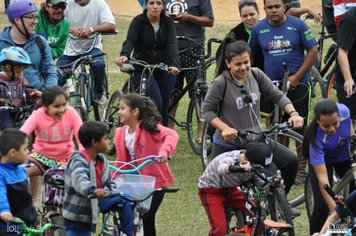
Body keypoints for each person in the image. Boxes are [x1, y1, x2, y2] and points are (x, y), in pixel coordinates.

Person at [201, 38, 304, 201]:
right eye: (238, 64)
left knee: (290, 162)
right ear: (228, 63)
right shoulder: (221, 83)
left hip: (256, 141)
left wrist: (293, 113)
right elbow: (206, 111)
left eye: (246, 62)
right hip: (229, 146)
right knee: (227, 197)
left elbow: (277, 95)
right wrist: (224, 128)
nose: (243, 67)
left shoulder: (255, 74)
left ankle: (279, 202)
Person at [114, 93, 179, 236]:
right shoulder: (120, 133)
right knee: (124, 217)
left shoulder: (150, 128)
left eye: (122, 108)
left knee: (147, 218)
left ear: (135, 112)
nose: (119, 112)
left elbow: (172, 135)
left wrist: (164, 152)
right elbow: (120, 162)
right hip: (130, 182)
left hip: (153, 184)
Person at [248, 0, 318, 129]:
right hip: (273, 87)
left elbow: (313, 51)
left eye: (277, 6)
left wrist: (297, 77)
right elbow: (249, 53)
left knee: (300, 128)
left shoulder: (299, 25)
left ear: (284, 8)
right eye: (270, 7)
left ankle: (302, 150)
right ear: (264, 9)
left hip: (299, 84)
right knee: (279, 129)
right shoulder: (258, 29)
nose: (274, 10)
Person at [115, 0, 180, 127]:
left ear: (163, 6)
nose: (155, 7)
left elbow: (172, 45)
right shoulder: (138, 21)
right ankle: (148, 131)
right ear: (146, 5)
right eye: (151, 3)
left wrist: (175, 64)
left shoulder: (168, 23)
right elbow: (130, 40)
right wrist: (125, 55)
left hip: (164, 67)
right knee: (156, 102)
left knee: (164, 106)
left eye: (158, 3)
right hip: (143, 68)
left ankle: (162, 139)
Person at [63, 121, 134, 236]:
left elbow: (108, 182)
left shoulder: (101, 161)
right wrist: (93, 190)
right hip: (78, 213)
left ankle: (129, 233)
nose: (108, 141)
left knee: (124, 198)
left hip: (95, 203)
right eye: (106, 139)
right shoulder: (78, 160)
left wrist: (113, 189)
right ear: (95, 142)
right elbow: (79, 179)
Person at [20, 86, 83, 207]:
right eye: (56, 106)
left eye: (64, 104)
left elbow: (81, 136)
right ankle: (32, 202)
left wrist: (83, 153)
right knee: (24, 171)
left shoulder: (71, 113)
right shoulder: (37, 115)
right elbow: (23, 133)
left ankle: (65, 204)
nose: (62, 109)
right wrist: (19, 148)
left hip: (66, 158)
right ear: (45, 106)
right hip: (41, 156)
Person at [302, 99, 355, 234]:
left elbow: (351, 133)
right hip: (323, 161)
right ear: (318, 121)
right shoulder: (315, 141)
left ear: (339, 116)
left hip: (342, 154)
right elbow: (323, 179)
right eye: (326, 126)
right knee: (322, 206)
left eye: (335, 124)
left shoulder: (344, 110)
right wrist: (334, 210)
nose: (331, 129)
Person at [198, 141, 274, 236]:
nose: (260, 169)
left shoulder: (255, 167)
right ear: (250, 161)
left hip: (231, 188)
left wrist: (273, 183)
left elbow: (262, 182)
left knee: (256, 216)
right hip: (210, 190)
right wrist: (232, 168)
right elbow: (221, 168)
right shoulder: (231, 158)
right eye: (259, 166)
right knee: (220, 230)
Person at [165, 0, 214, 129]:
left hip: (194, 50)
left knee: (199, 93)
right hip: (170, 50)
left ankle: (201, 132)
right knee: (171, 92)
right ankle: (170, 131)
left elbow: (209, 21)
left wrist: (188, 17)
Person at [56, 0, 116, 106]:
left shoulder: (99, 3)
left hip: (92, 46)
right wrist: (73, 30)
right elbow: (57, 22)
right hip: (70, 48)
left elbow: (111, 25)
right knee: (57, 75)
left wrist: (91, 29)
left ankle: (98, 94)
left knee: (99, 65)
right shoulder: (67, 4)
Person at [0, 0, 58, 91]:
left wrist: (47, 94)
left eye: (36, 17)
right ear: (17, 20)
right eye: (31, 17)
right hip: (6, 100)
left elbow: (50, 72)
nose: (35, 21)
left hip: (35, 100)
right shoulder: (1, 42)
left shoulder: (40, 42)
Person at [0, 129, 37, 232]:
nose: (28, 152)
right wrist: (4, 210)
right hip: (10, 226)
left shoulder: (21, 170)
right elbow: (0, 194)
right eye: (25, 149)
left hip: (30, 222)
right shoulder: (1, 173)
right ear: (13, 152)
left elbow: (26, 193)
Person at [0, 46, 41, 130]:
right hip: (4, 116)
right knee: (3, 111)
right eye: (18, 71)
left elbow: (28, 89)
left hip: (19, 113)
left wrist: (35, 93)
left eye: (22, 71)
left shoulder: (21, 80)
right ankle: (8, 138)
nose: (21, 74)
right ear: (7, 68)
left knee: (35, 114)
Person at [216, 0, 263, 70]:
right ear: (241, 17)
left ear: (258, 13)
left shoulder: (267, 28)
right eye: (245, 16)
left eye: (252, 14)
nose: (249, 18)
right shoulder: (235, 33)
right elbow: (220, 55)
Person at [334, 7, 356, 120]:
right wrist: (348, 79)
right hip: (349, 73)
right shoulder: (350, 19)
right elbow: (342, 52)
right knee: (348, 117)